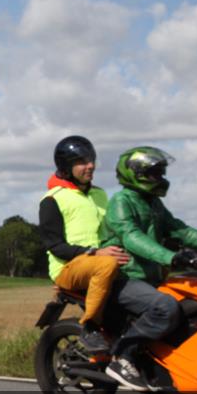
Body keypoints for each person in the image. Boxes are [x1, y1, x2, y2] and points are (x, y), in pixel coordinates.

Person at [99, 146, 197, 391]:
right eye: (154, 173)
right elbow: (132, 238)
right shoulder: (121, 202)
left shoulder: (152, 203)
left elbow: (181, 231)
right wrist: (170, 257)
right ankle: (124, 355)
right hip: (123, 278)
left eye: (160, 173)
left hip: (149, 278)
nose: (160, 178)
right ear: (136, 174)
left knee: (195, 302)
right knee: (165, 307)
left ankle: (165, 369)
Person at [38, 136, 130, 354]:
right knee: (105, 264)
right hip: (69, 268)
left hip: (100, 260)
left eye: (91, 160)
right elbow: (55, 246)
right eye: (82, 162)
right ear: (66, 167)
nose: (90, 166)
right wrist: (94, 252)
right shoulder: (52, 199)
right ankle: (90, 327)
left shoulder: (99, 194)